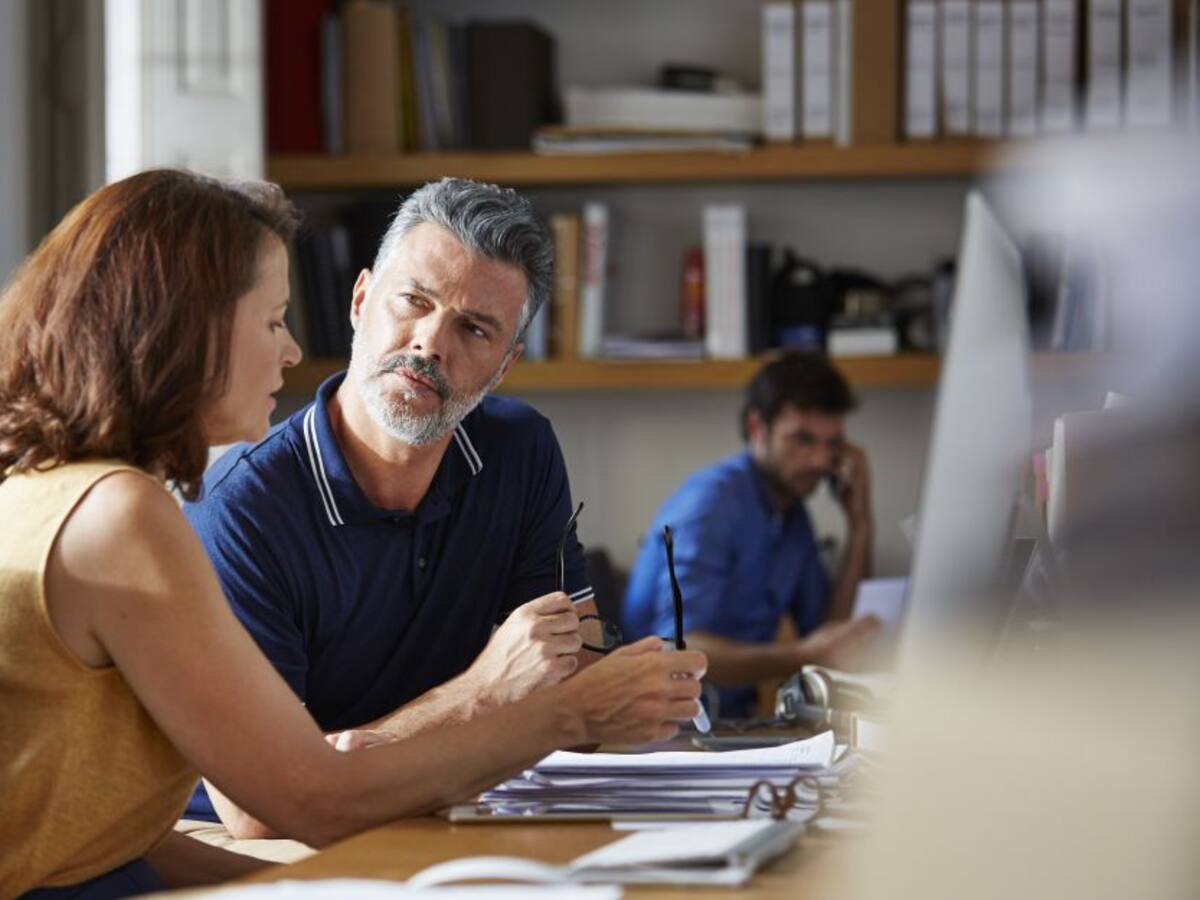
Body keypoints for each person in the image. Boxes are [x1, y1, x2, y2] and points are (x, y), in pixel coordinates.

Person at [0, 169, 707, 898]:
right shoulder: (124, 515)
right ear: (188, 329)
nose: (290, 350)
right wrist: (562, 712)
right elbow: (308, 799)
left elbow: (117, 843)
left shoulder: (50, 490)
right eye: (273, 320)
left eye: (473, 328)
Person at [177, 177, 621, 846]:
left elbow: (575, 675)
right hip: (276, 856)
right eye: (414, 301)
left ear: (503, 366)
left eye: (474, 329)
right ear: (361, 301)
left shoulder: (520, 450)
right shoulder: (240, 510)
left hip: (452, 814)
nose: (429, 344)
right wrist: (483, 694)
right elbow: (261, 811)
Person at [622, 352, 879, 720]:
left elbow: (832, 636)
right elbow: (677, 650)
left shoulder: (792, 516)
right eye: (803, 440)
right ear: (757, 427)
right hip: (658, 728)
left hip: (728, 724)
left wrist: (860, 524)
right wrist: (802, 656)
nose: (821, 461)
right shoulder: (710, 504)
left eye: (833, 444)